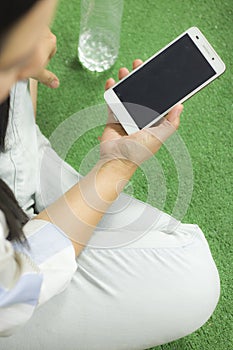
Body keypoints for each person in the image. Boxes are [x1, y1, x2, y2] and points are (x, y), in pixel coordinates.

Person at [0, 1, 220, 349]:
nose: (43, 54)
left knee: (174, 240)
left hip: (17, 161)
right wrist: (115, 166)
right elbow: (11, 287)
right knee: (195, 274)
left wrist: (18, 69)